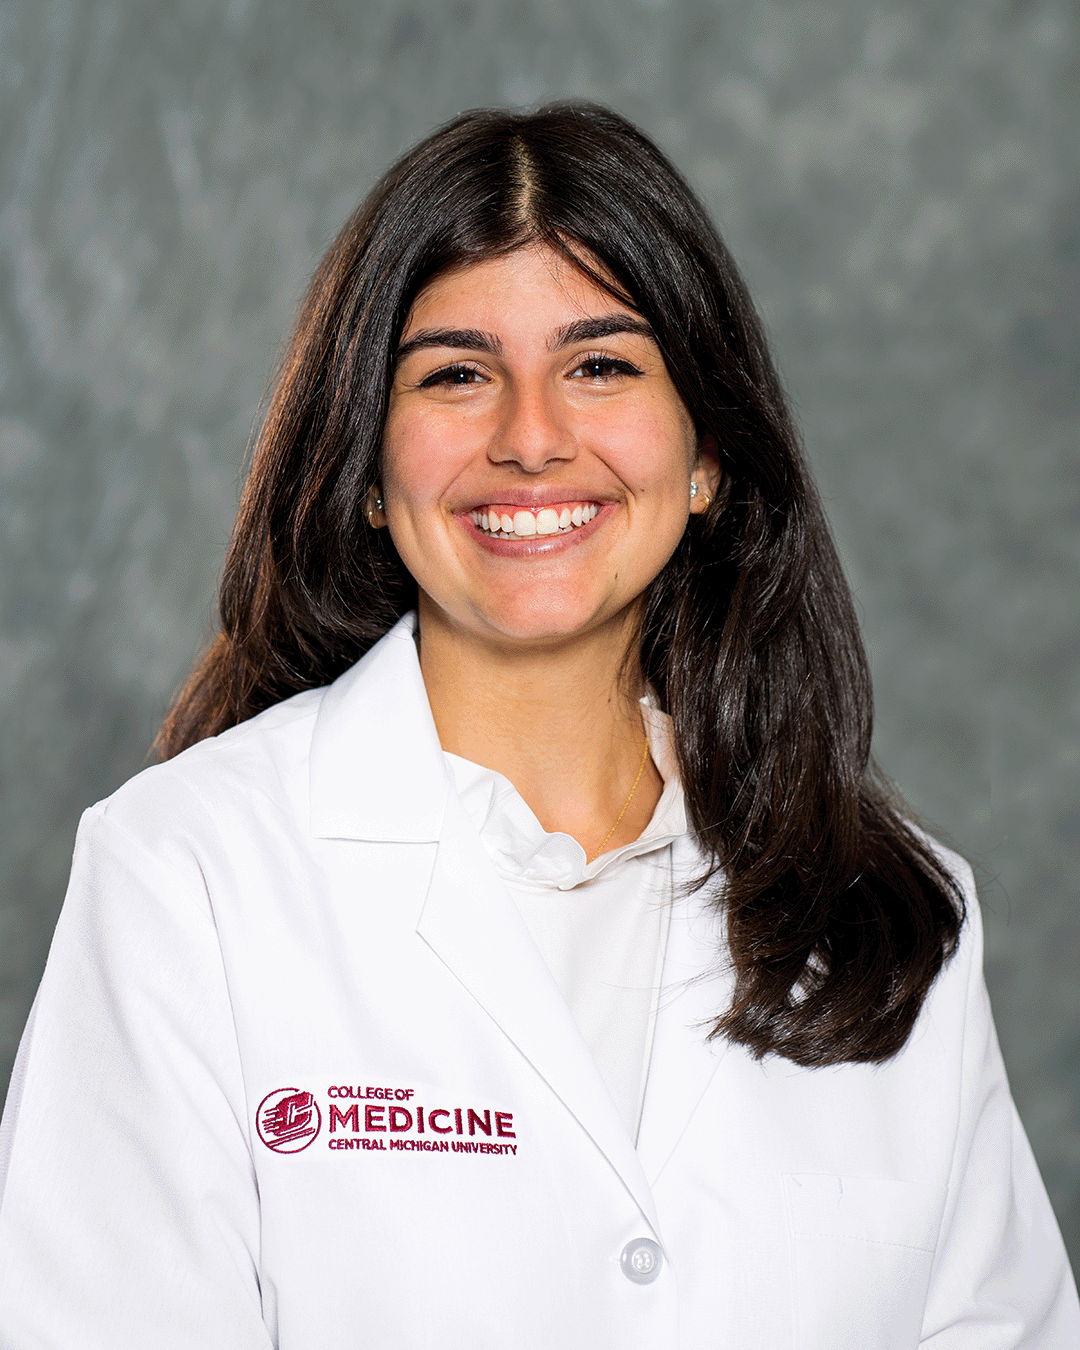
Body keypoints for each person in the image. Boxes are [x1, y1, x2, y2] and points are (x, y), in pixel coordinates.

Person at [0, 102, 1075, 1349]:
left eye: (601, 366)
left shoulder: (890, 911)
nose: (531, 439)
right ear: (363, 463)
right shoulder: (187, 876)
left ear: (706, 455)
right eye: (457, 374)